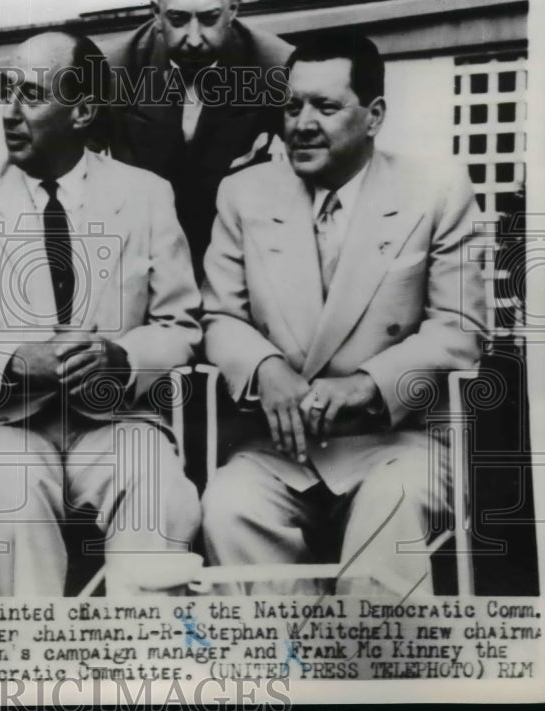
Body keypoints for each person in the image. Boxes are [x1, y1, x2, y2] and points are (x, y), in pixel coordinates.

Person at [0, 32, 202, 596]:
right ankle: (34, 666)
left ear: (83, 110)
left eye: (32, 96)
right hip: (2, 424)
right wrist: (12, 357)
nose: (10, 113)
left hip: (114, 422)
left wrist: (123, 357)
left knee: (158, 486)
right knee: (9, 496)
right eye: (8, 92)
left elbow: (180, 326)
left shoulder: (146, 195)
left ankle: (141, 666)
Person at [200, 33, 487, 595]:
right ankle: (288, 673)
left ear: (374, 115)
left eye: (325, 107)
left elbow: (460, 328)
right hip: (284, 446)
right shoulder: (243, 194)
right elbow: (220, 317)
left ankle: (370, 674)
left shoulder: (436, 189)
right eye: (292, 105)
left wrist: (367, 384)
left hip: (397, 441)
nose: (302, 123)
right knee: (227, 507)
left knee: (392, 507)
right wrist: (264, 367)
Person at [105, 0, 293, 279]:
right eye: (177, 19)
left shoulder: (277, 69)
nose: (193, 38)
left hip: (242, 265)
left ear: (233, 9)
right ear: (156, 13)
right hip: (141, 266)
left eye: (209, 18)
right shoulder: (112, 72)